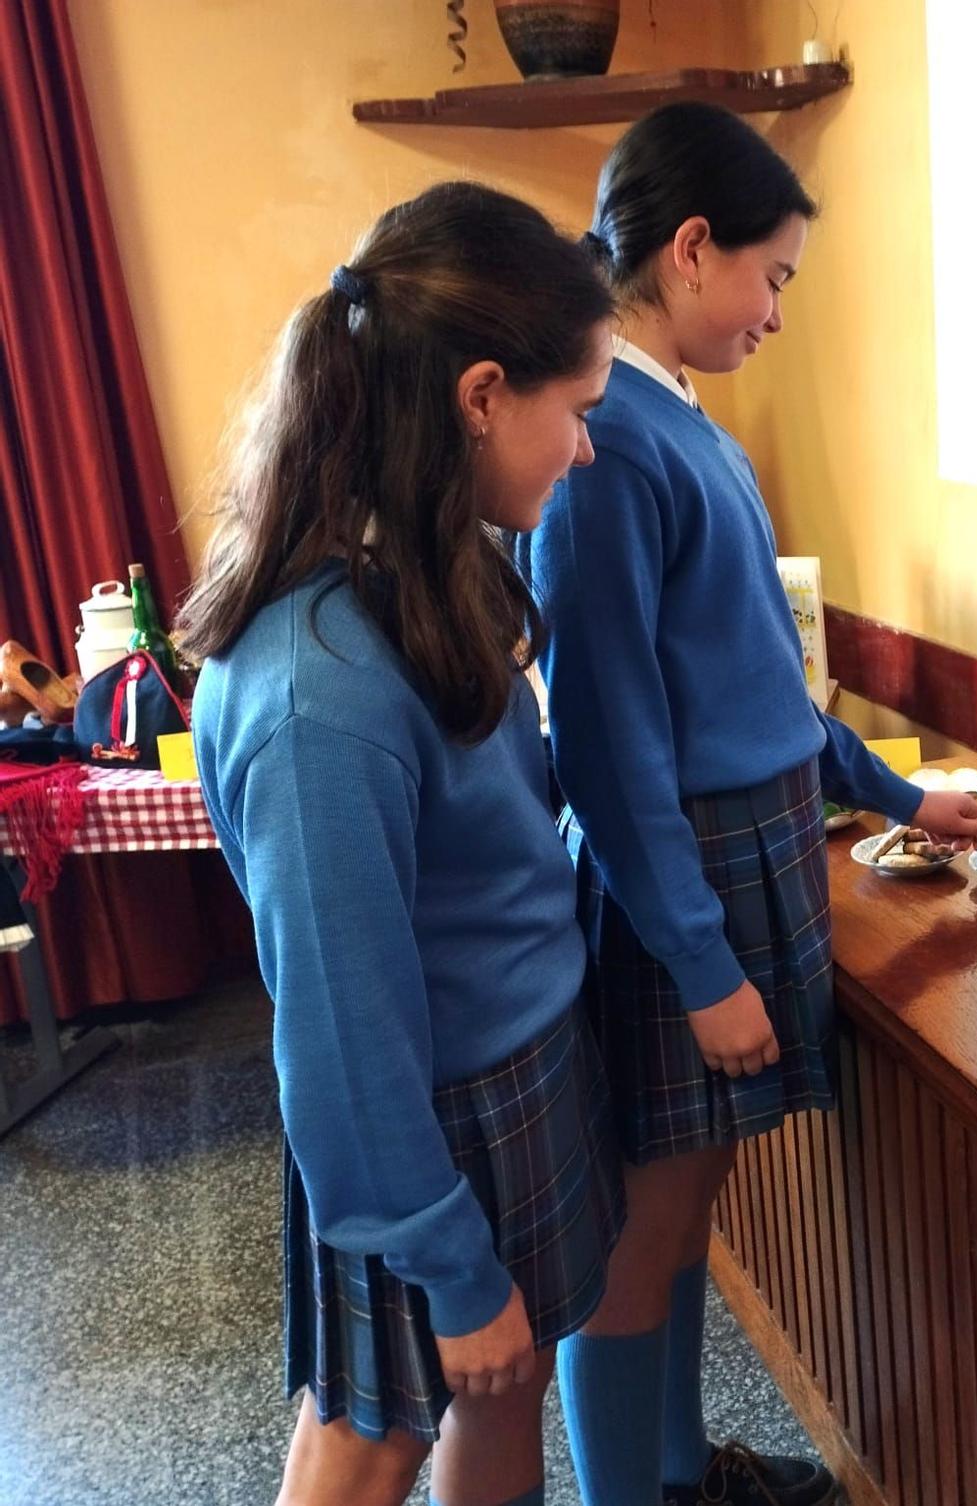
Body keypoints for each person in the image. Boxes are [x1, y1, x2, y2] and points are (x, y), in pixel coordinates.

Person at [518, 102, 977, 1506]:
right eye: (773, 276)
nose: (778, 311)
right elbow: (606, 748)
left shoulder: (679, 419)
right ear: (691, 245)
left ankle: (675, 1468)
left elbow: (757, 691)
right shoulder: (607, 444)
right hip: (690, 882)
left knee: (694, 1201)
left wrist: (903, 790)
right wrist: (704, 962)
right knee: (641, 1236)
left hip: (747, 848)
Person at [183, 182, 622, 1506]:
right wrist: (448, 1254)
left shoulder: (431, 566)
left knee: (512, 1379)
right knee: (368, 1437)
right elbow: (339, 1034)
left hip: (512, 1064)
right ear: (484, 393)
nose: (585, 451)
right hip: (426, 1129)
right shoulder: (321, 690)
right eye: (579, 411)